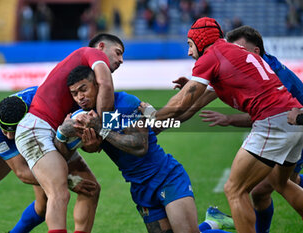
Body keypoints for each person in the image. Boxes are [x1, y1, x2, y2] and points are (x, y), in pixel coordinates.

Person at [140, 17, 303, 232]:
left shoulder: (211, 57)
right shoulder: (234, 54)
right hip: (296, 120)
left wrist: (150, 115)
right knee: (281, 182)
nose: (189, 53)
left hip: (274, 122)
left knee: (234, 189)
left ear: (201, 42)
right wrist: (160, 123)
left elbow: (181, 104)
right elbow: (190, 106)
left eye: (190, 45)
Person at [56, 65, 234, 233]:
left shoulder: (125, 102)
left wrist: (102, 129)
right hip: (140, 186)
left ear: (97, 85)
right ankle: (212, 222)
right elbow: (88, 148)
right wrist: (63, 134)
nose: (80, 97)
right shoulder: (86, 116)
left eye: (83, 89)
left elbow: (140, 146)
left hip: (165, 176)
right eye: (74, 94)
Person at [197, 25, 303, 233]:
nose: (235, 53)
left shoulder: (268, 72)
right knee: (272, 186)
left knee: (258, 187)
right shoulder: (256, 67)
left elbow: (273, 114)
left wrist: (228, 119)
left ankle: (221, 225)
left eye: (240, 48)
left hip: (300, 126)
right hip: (295, 127)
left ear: (256, 50)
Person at [15, 33, 124, 232]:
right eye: (117, 53)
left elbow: (86, 143)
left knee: (91, 189)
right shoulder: (91, 52)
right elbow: (106, 84)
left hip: (49, 132)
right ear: (101, 47)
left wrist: (95, 139)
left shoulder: (80, 91)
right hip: (37, 128)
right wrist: (104, 130)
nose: (121, 60)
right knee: (59, 193)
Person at [0, 86, 100, 233]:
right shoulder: (0, 125)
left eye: (11, 132)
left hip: (44, 133)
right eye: (5, 131)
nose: (9, 136)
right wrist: (69, 180)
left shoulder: (49, 107)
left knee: (44, 206)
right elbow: (22, 172)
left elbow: (86, 144)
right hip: (15, 135)